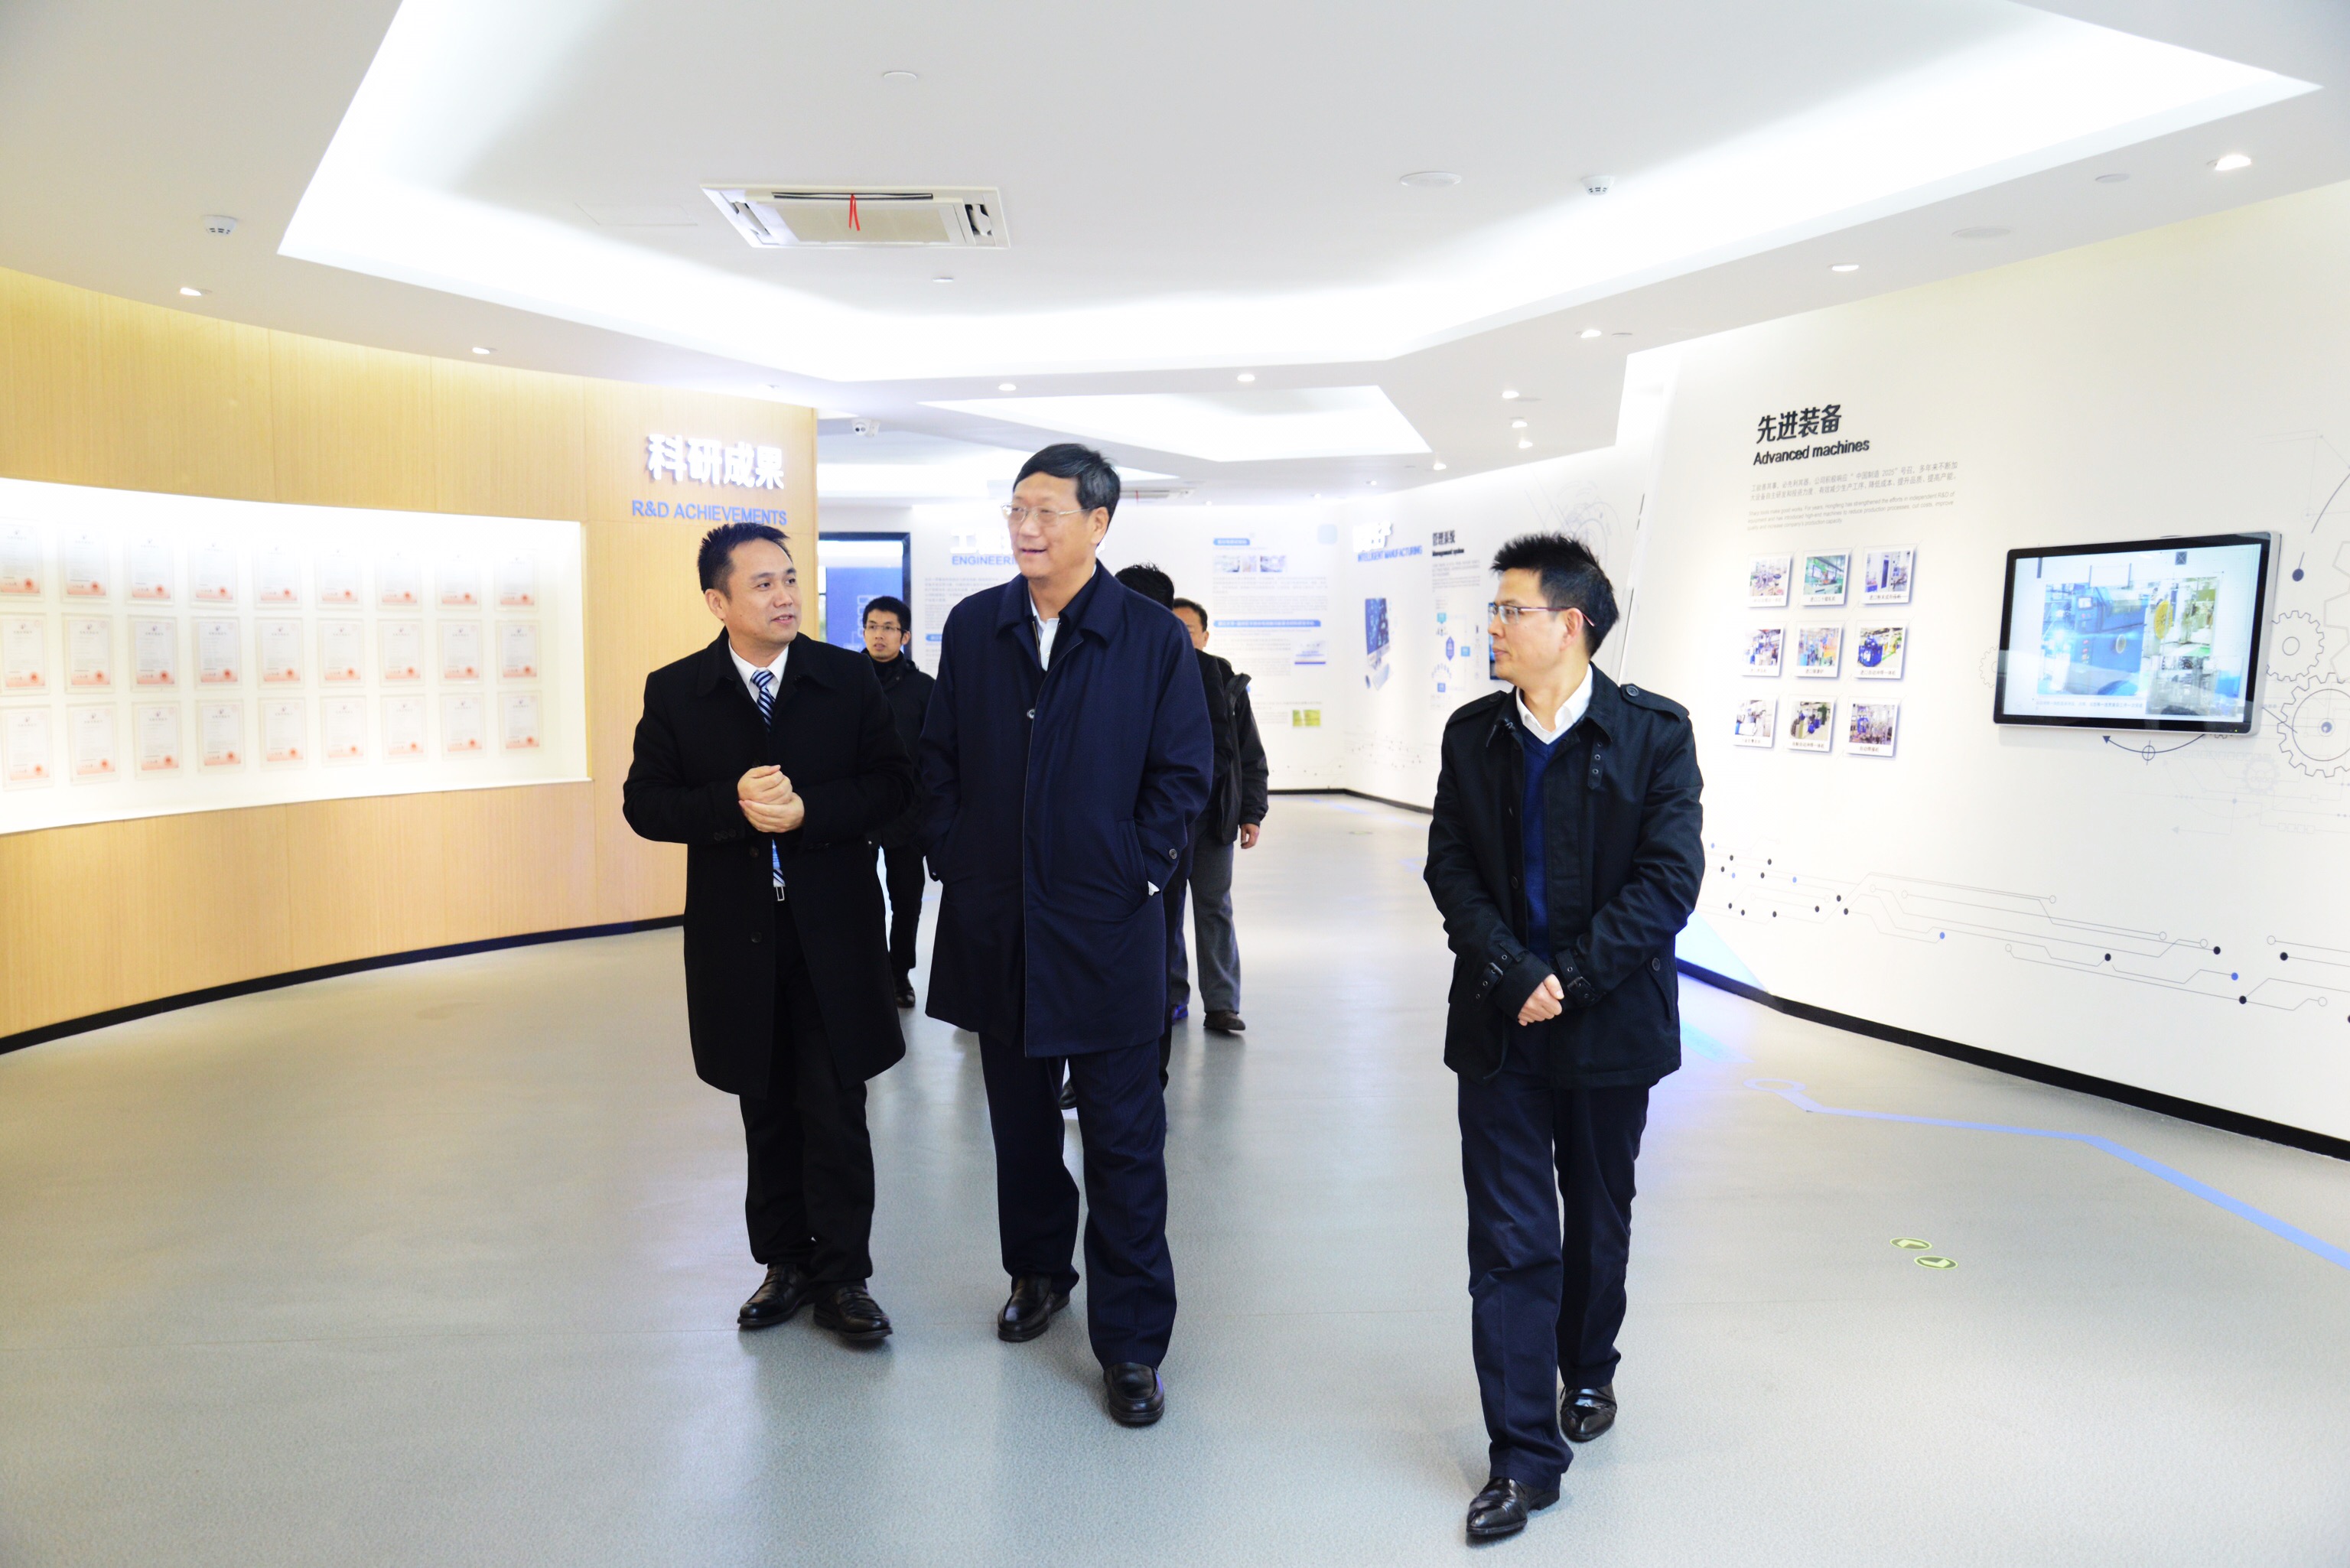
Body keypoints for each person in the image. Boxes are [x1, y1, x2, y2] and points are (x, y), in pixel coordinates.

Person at [921, 444, 1211, 1427]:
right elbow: (938, 758)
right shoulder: (977, 625)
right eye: (1016, 509)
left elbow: (1183, 774)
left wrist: (1136, 869)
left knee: (1125, 1141)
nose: (1026, 528)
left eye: (1046, 511)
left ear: (1098, 523)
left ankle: (1131, 1343)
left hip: (1107, 928)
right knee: (1020, 1124)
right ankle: (1039, 1273)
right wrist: (957, 854)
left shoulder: (1149, 637)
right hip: (999, 920)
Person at [1422, 533, 1703, 1543]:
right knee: (1508, 1241)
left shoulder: (1654, 734)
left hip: (1607, 1023)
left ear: (1571, 624)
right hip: (1499, 1027)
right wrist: (1512, 972)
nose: (1494, 628)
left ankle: (1588, 1367)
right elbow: (1449, 866)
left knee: (1596, 1211)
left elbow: (1669, 879)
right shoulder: (1473, 735)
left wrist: (1571, 979)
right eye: (1494, 611)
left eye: (1512, 611)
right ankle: (1523, 1457)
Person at [622, 522, 916, 1346]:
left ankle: (845, 1276)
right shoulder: (677, 690)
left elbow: (895, 786)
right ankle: (784, 1264)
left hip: (834, 933)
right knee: (767, 1104)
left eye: (790, 579)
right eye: (763, 584)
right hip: (739, 937)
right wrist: (731, 804)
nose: (785, 596)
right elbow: (645, 803)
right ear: (718, 601)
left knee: (836, 1104)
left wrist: (809, 811)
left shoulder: (846, 679)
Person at [1169, 596, 1268, 1035]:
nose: (1181, 638)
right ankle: (1172, 997)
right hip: (1169, 818)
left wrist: (1252, 813)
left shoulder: (1227, 684)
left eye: (1188, 631)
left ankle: (1223, 1004)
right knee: (1167, 909)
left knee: (1214, 907)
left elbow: (1250, 754)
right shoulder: (1153, 676)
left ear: (1205, 636)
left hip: (1214, 819)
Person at [861, 594, 933, 1007]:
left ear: (904, 636)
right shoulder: (846, 681)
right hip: (859, 813)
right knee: (861, 900)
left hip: (908, 815)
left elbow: (936, 756)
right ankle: (869, 974)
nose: (879, 635)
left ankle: (899, 973)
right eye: (872, 626)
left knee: (906, 901)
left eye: (888, 628)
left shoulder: (924, 689)